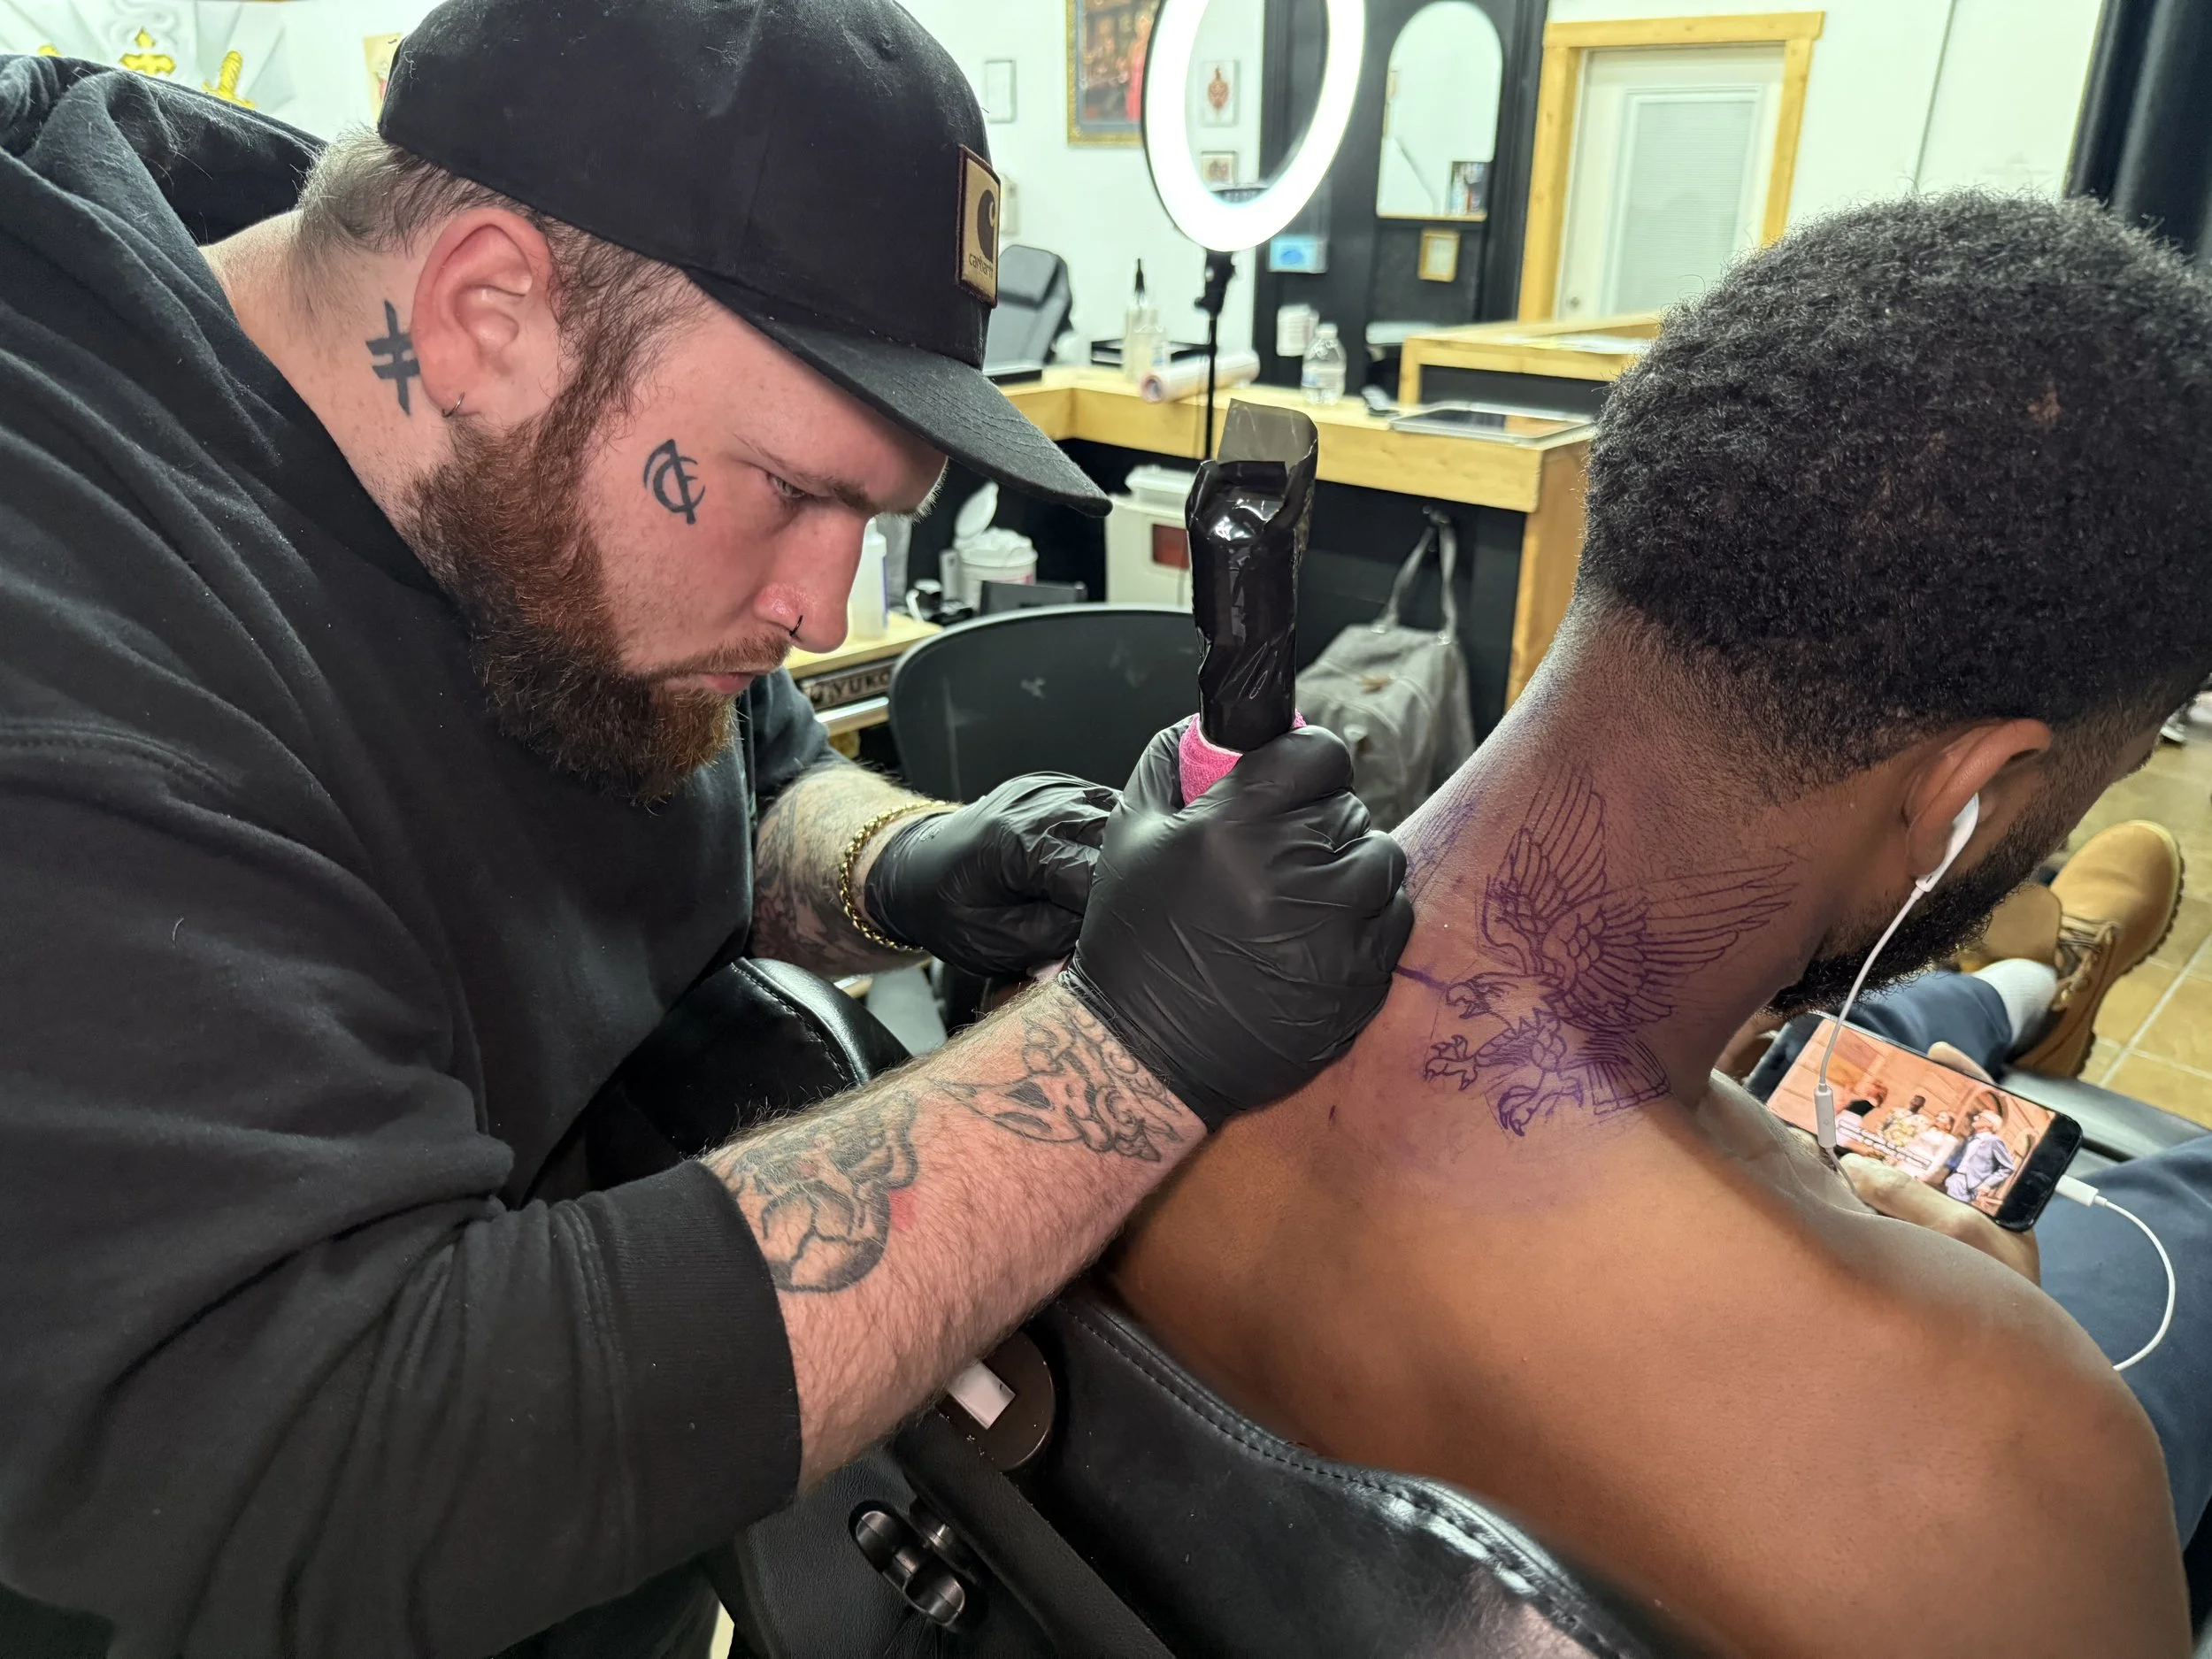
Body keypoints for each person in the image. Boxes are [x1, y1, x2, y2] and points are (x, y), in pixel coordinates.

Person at [0, 4, 1415, 1656]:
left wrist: (913, 867)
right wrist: (1126, 1055)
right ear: (485, 311)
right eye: (792, 493)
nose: (820, 610)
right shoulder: (75, 641)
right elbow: (329, 1455)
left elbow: (748, 777)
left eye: (867, 523)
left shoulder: (511, 478)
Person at [1109, 192, 2212, 1657]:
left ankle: (2024, 985)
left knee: (1858, 1046)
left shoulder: (1079, 1018)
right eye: (2073, 793)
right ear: (1975, 788)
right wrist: (1972, 1342)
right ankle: (2036, 987)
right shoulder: (2006, 1456)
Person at [1946, 1104, 2019, 1207]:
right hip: (1954, 1178)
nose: (1975, 1118)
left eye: (1980, 1117)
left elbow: (2008, 1167)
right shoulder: (1971, 1139)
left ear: (1989, 1124)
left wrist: (1987, 1184)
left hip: (1968, 1185)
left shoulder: (1994, 1141)